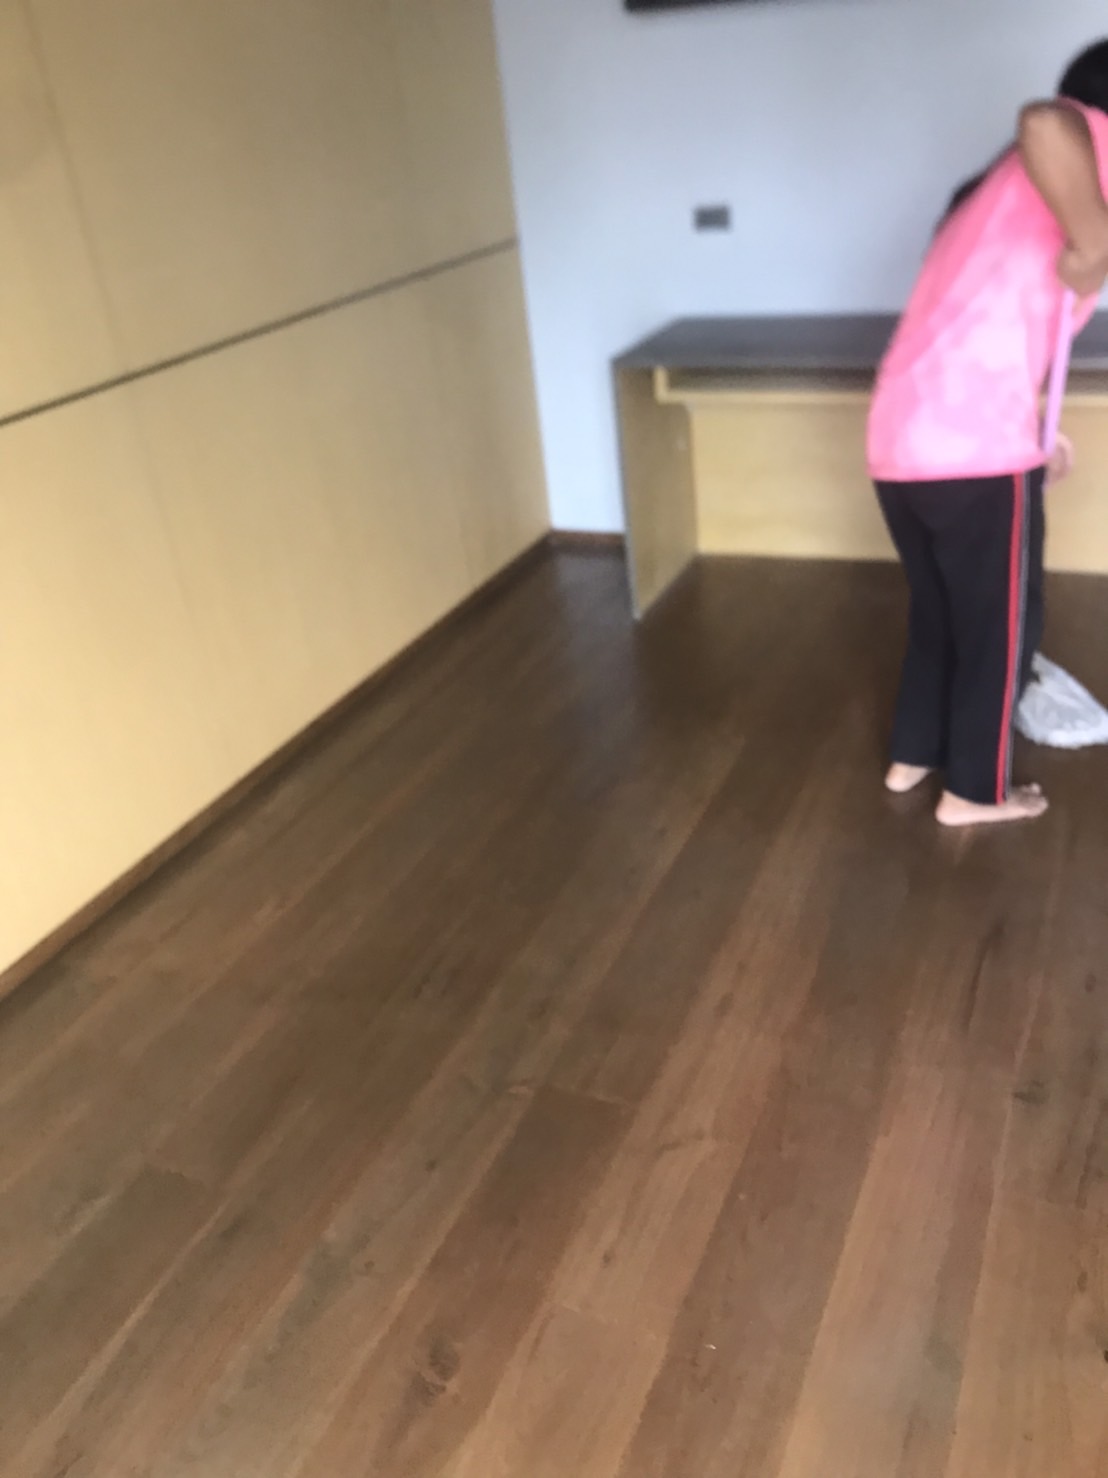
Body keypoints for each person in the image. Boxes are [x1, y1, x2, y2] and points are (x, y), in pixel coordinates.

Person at [867, 40, 1108, 827]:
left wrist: (1037, 428)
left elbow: (994, 325)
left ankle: (914, 755)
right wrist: (1097, 244)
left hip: (902, 437)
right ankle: (975, 791)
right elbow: (1045, 120)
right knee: (1003, 628)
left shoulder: (993, 193)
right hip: (973, 450)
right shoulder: (1083, 140)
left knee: (940, 612)